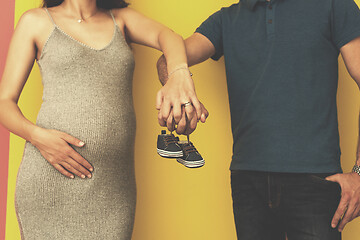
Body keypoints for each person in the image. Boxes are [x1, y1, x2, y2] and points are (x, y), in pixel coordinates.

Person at [156, 0, 360, 239]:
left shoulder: (334, 5)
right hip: (248, 182)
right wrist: (176, 84)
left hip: (316, 182)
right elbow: (167, 60)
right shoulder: (225, 19)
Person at [0, 0, 201, 239]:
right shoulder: (36, 21)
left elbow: (169, 37)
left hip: (113, 187)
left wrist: (178, 74)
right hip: (50, 178)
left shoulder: (122, 19)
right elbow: (4, 103)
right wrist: (38, 137)